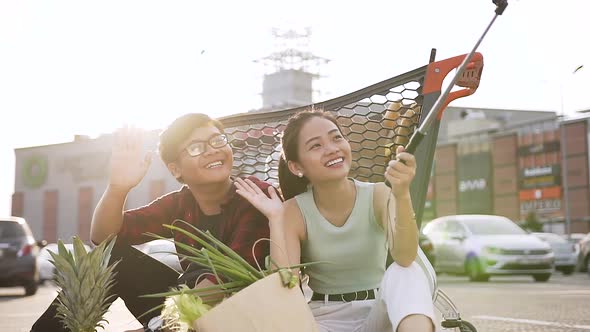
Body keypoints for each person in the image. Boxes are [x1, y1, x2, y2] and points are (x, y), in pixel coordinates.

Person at [32, 113, 272, 332]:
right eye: (196, 148)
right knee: (112, 254)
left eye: (218, 140)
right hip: (189, 311)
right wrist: (118, 188)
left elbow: (223, 282)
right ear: (176, 170)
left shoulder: (254, 196)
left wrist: (159, 326)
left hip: (241, 318)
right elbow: (103, 237)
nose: (212, 150)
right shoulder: (180, 204)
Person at [235, 109, 436, 332]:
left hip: (378, 312)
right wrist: (276, 218)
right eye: (316, 146)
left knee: (406, 271)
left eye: (336, 137)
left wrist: (401, 193)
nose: (332, 149)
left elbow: (406, 256)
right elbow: (286, 288)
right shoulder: (293, 211)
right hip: (325, 321)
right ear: (296, 167)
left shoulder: (378, 195)